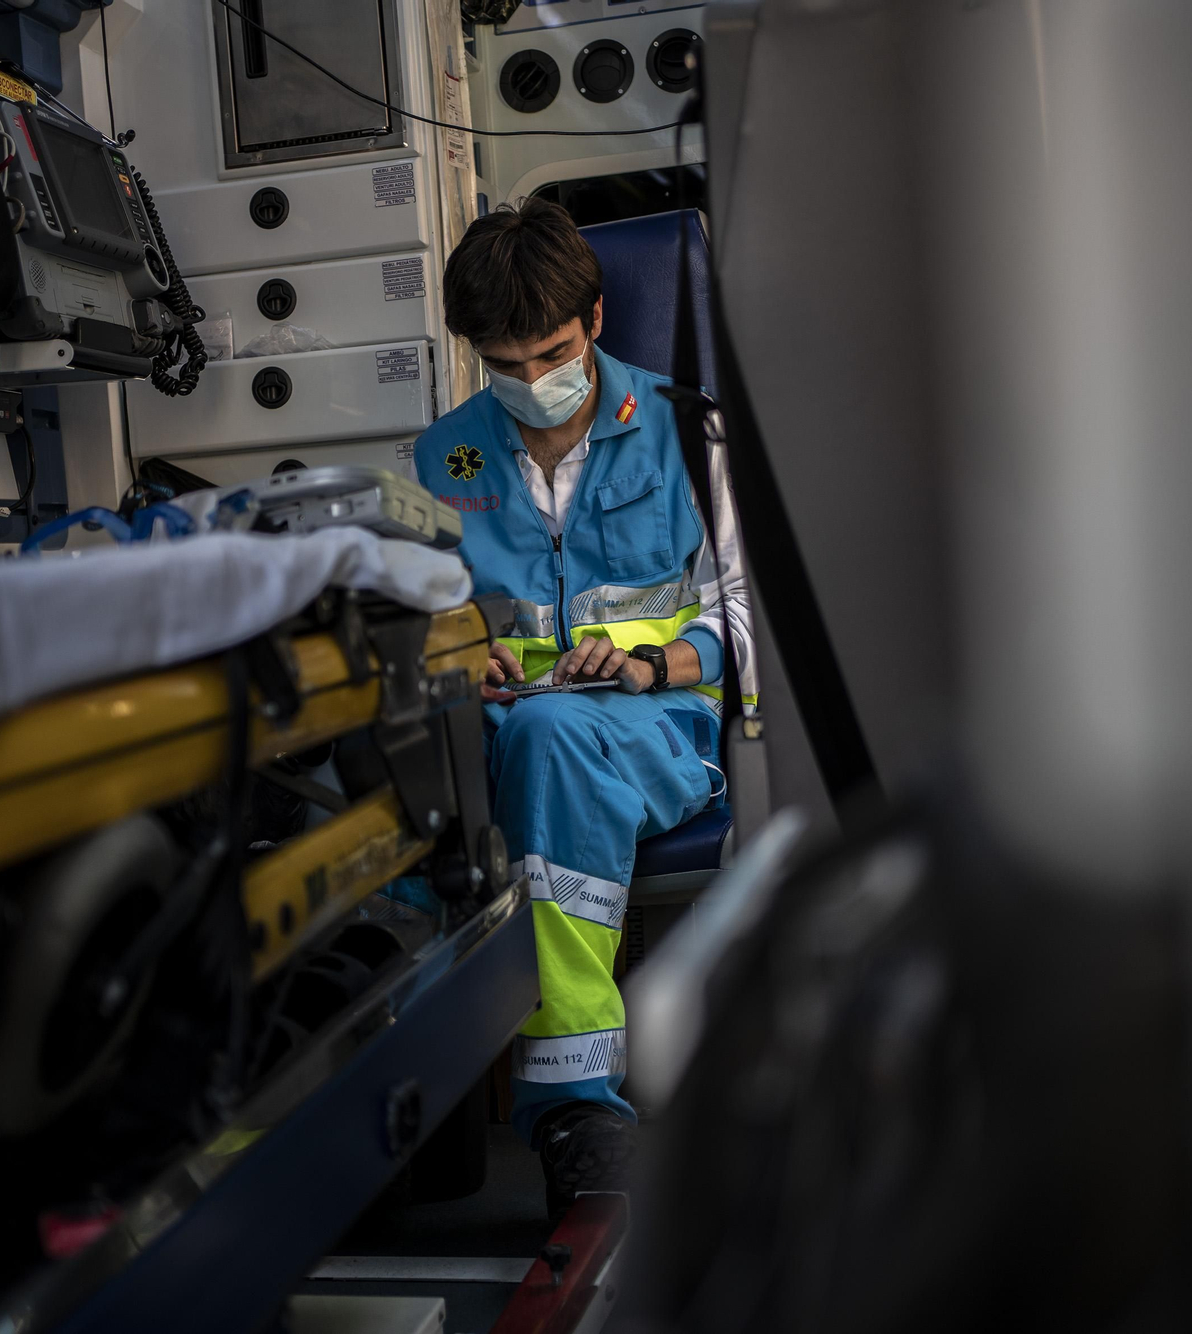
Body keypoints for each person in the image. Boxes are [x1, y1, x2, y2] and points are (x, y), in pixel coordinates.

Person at [414, 198, 753, 1217]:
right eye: (501, 363)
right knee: (397, 755)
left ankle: (571, 1103)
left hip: (657, 726)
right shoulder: (445, 457)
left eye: (549, 353)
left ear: (596, 321)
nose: (528, 382)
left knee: (554, 735)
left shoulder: (690, 434)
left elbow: (752, 620)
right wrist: (458, 661)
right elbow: (433, 611)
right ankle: (388, 1095)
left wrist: (654, 668)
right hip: (508, 721)